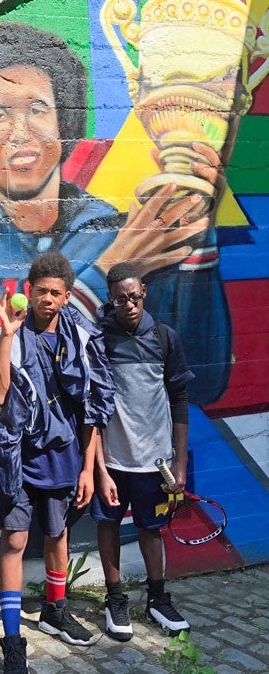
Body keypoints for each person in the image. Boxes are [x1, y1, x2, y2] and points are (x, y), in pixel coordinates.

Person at [0, 21, 230, 405]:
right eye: (0, 114)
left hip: (101, 452)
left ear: (63, 123)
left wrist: (197, 235)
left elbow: (203, 381)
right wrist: (105, 273)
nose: (21, 131)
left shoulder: (125, 235)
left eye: (38, 109)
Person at [0, 252, 115, 674]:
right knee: (16, 540)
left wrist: (87, 468)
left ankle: (54, 611)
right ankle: (12, 641)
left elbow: (92, 409)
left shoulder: (82, 336)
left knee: (58, 535)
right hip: (18, 456)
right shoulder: (10, 336)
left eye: (56, 293)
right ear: (29, 289)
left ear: (65, 296)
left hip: (65, 457)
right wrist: (6, 336)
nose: (48, 299)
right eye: (41, 290)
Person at [92, 262, 194, 640]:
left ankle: (156, 598)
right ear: (111, 299)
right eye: (121, 299)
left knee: (152, 530)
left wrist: (178, 461)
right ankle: (115, 598)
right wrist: (97, 467)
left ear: (144, 292)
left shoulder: (166, 338)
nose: (129, 304)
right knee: (108, 525)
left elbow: (180, 399)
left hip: (155, 462)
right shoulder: (99, 340)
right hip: (113, 459)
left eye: (135, 296)